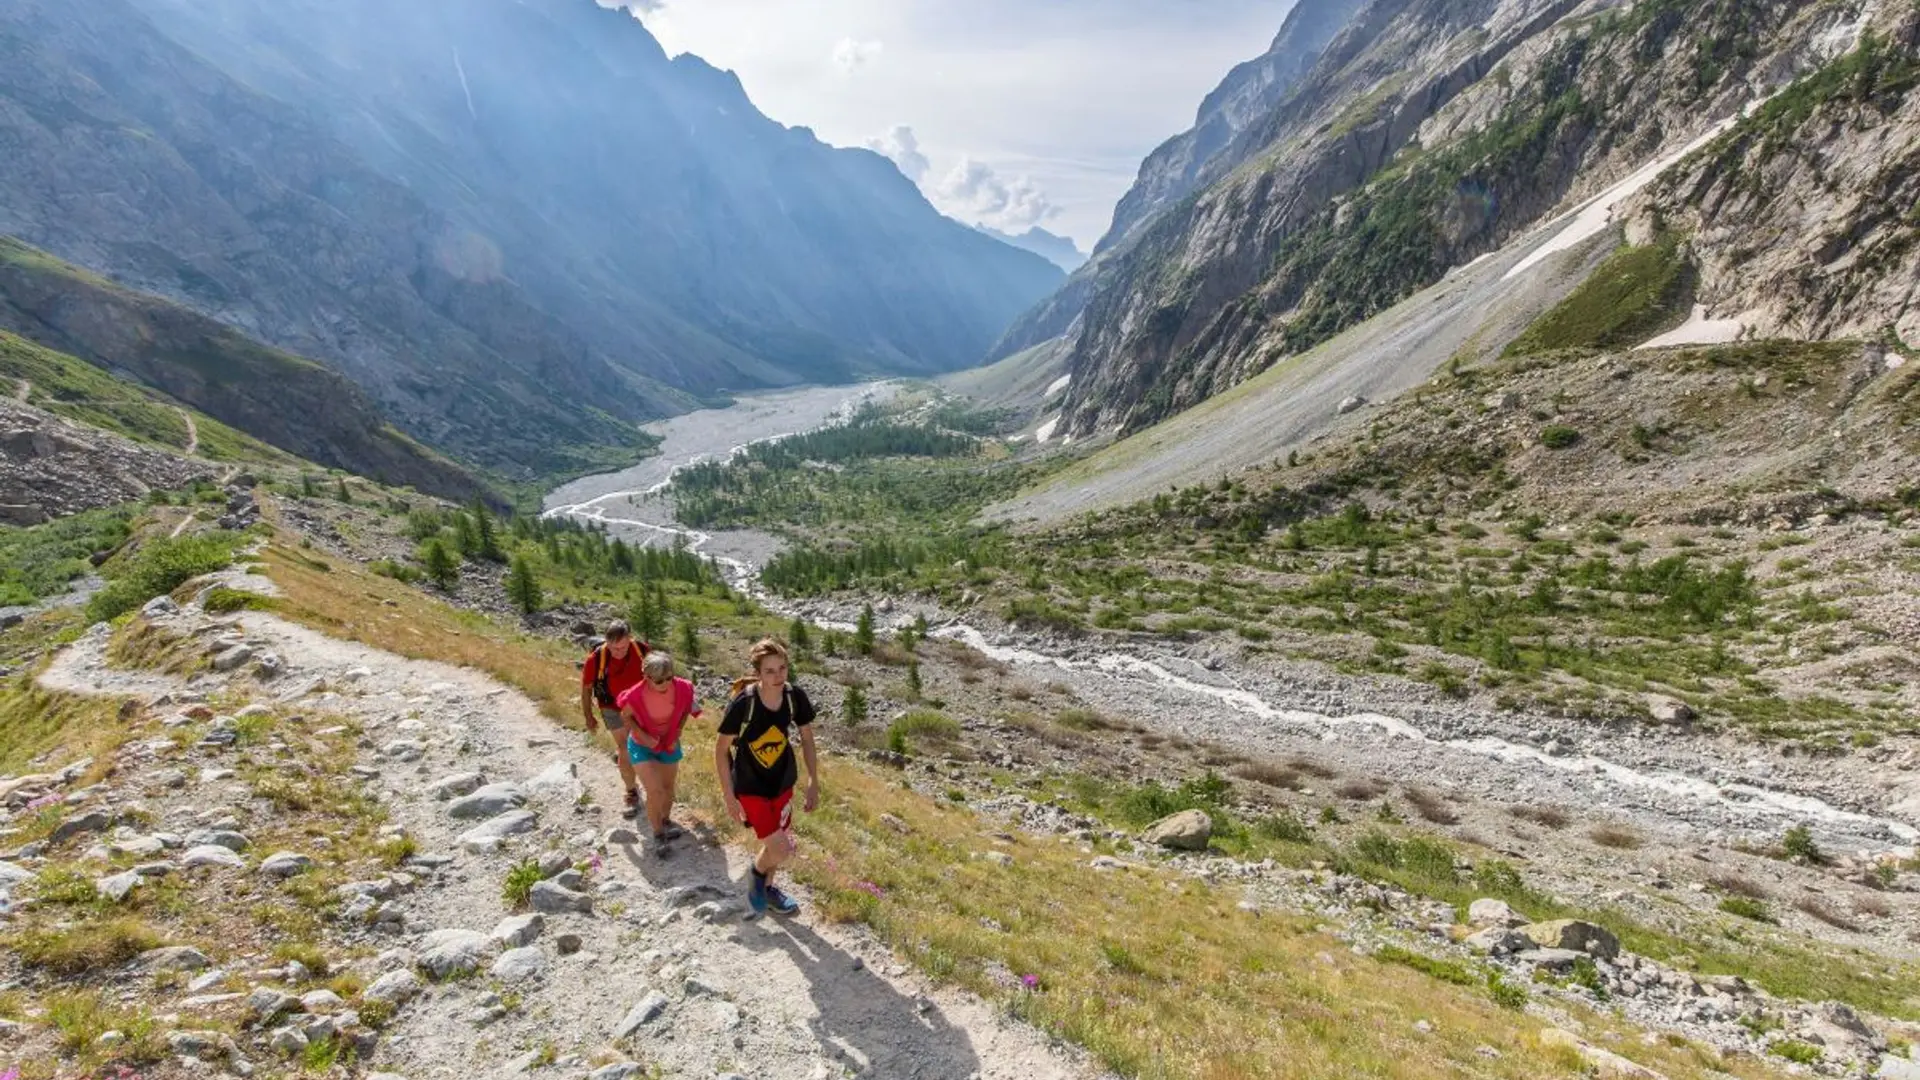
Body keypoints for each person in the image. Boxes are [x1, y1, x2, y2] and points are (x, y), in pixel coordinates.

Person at [715, 638, 819, 916]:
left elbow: (807, 739)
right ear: (758, 672)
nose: (778, 676)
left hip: (783, 783)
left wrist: (813, 781)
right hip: (750, 787)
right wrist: (729, 796)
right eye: (770, 670)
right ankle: (756, 874)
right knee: (782, 849)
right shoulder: (744, 703)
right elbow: (721, 749)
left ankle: (769, 890)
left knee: (775, 844)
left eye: (782, 668)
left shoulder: (793, 696)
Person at [615, 650, 700, 853]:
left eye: (669, 678)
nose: (665, 684)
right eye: (659, 680)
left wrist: (678, 731)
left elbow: (687, 708)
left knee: (668, 788)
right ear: (647, 677)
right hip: (641, 745)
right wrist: (641, 735)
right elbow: (625, 716)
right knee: (655, 791)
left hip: (668, 742)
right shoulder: (635, 694)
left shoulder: (683, 688)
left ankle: (665, 820)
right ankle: (658, 834)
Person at [579, 621, 648, 817]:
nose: (618, 652)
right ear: (606, 642)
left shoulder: (642, 650)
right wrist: (588, 716)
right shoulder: (596, 658)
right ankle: (631, 790)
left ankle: (651, 784)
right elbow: (586, 690)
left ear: (630, 639)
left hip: (639, 706)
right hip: (611, 707)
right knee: (625, 747)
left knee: (642, 745)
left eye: (623, 647)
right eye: (613, 648)